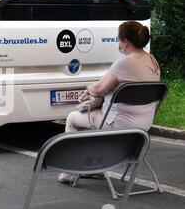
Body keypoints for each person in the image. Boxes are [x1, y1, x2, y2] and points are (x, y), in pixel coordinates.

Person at [58, 21, 161, 184]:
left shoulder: (124, 62)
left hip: (117, 124)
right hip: (143, 126)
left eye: (118, 39)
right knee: (96, 122)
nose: (118, 43)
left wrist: (89, 88)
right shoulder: (152, 61)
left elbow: (99, 89)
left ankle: (69, 171)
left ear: (125, 41)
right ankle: (96, 169)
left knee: (72, 118)